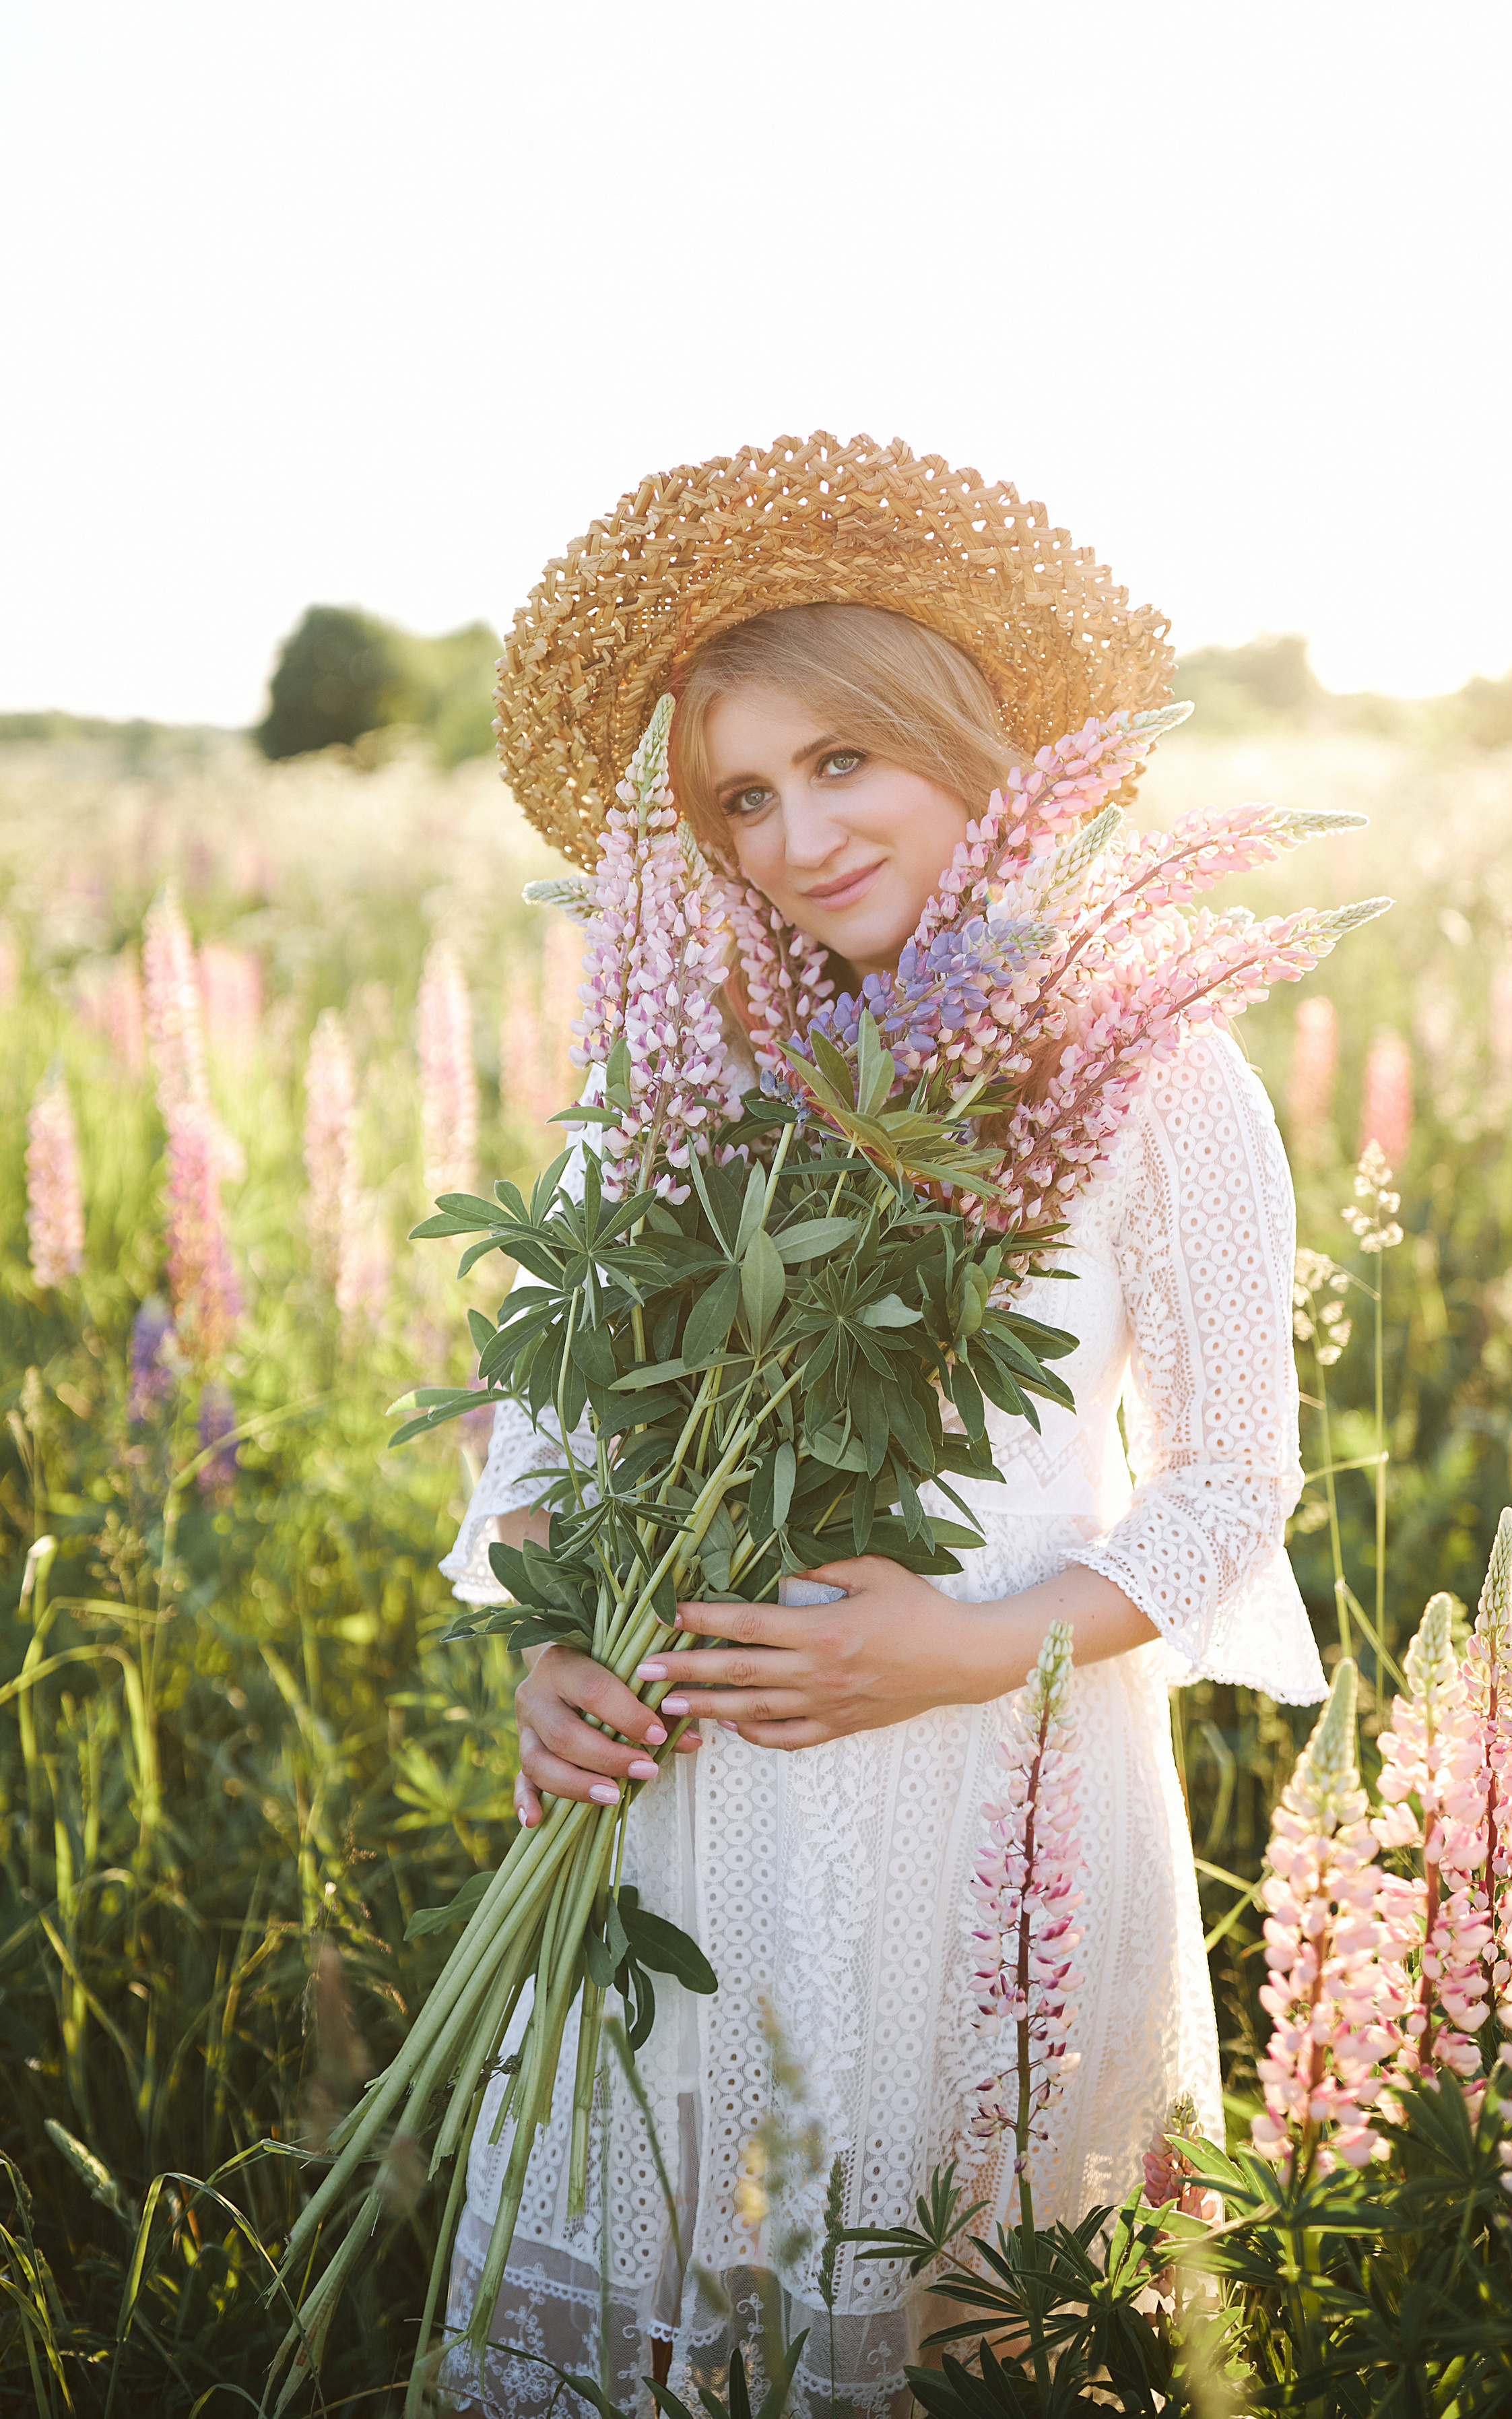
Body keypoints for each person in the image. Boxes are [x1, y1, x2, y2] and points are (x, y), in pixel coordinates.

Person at [438, 436, 1325, 2419]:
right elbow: (548, 1446)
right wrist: (550, 1651)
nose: (797, 835)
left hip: (994, 1810)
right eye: (742, 798)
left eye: (844, 761)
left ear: (966, 745)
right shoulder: (674, 1092)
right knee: (671, 2323)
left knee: (947, 2321)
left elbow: (1232, 1486)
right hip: (689, 1812)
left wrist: (954, 1647)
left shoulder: (1160, 1076)